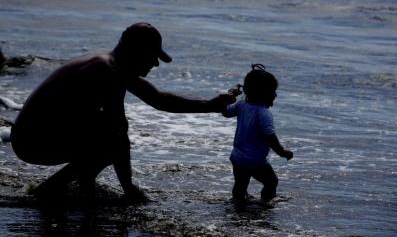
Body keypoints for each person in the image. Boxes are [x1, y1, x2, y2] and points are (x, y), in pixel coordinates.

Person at [10, 22, 235, 202]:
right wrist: (128, 188)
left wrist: (211, 105)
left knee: (107, 133)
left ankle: (82, 184)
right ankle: (51, 190)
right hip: (32, 141)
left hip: (43, 134)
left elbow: (159, 100)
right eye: (152, 56)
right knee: (111, 136)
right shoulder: (104, 70)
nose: (155, 64)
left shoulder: (114, 67)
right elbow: (117, 129)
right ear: (135, 52)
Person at [223, 64, 293, 203]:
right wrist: (282, 151)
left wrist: (226, 99)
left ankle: (238, 204)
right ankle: (266, 203)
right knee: (271, 182)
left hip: (237, 157)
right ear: (264, 94)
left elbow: (225, 112)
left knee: (240, 184)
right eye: (273, 91)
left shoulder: (241, 105)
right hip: (254, 161)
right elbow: (270, 136)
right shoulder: (263, 113)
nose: (275, 94)